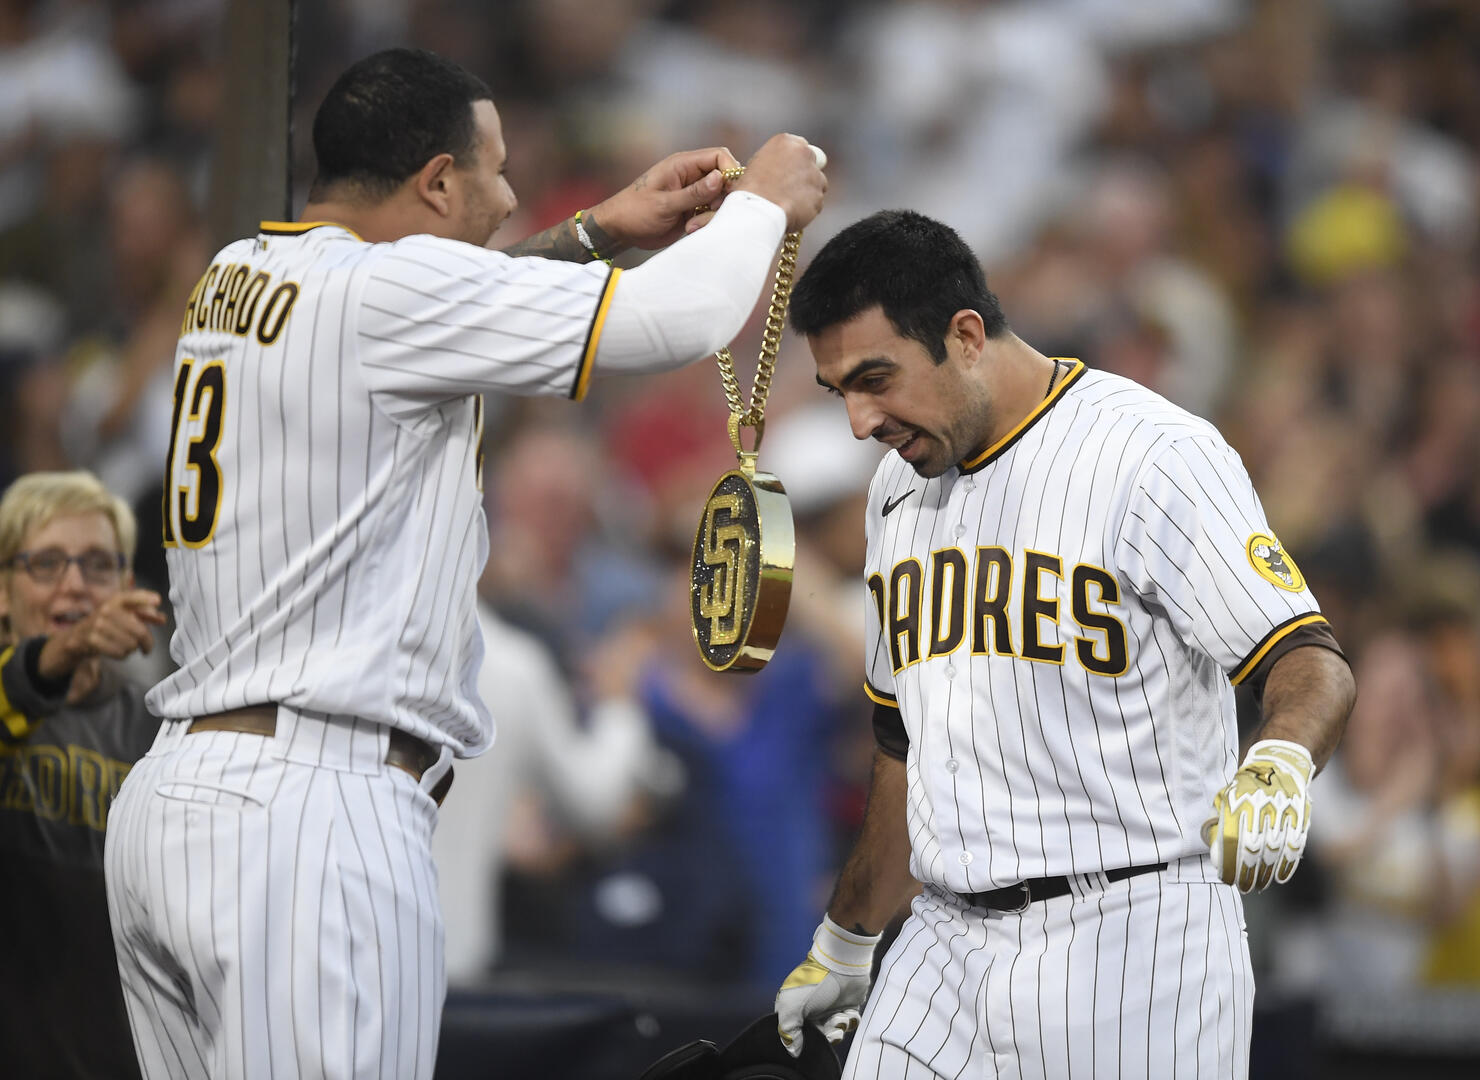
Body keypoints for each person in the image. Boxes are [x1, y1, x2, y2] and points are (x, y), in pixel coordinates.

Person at [101, 46, 826, 1080]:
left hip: (180, 799)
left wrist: (590, 237)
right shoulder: (386, 297)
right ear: (437, 181)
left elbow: (426, 311)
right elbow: (681, 318)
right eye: (492, 170)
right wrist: (765, 198)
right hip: (312, 813)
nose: (511, 195)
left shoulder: (240, 272)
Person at [771, 210, 1356, 1078]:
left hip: (1136, 935)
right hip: (944, 942)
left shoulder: (1152, 453)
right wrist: (848, 940)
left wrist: (1278, 762)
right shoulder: (894, 490)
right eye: (840, 391)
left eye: (876, 378)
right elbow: (902, 747)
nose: (861, 420)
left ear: (966, 335)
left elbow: (1308, 659)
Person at [0, 470, 165, 1078]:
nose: (74, 584)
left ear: (126, 585)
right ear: (1, 590)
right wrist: (56, 660)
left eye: (96, 565)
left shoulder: (161, 733)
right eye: (45, 564)